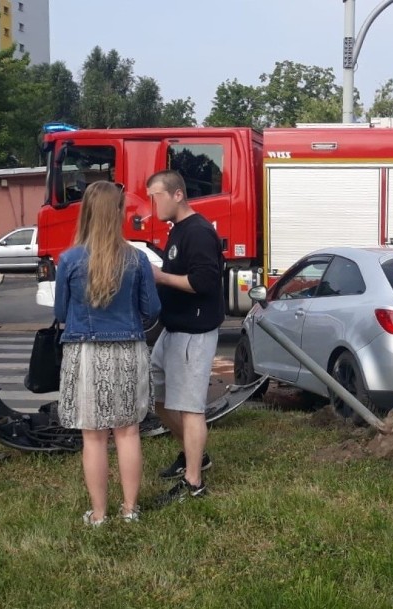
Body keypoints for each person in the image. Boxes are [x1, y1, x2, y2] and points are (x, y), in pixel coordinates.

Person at [54, 181, 161, 526]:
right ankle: (130, 510)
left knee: (94, 436)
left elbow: (59, 313)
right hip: (129, 349)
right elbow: (152, 309)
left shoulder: (69, 260)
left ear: (85, 212)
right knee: (127, 432)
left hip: (85, 352)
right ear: (117, 214)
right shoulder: (138, 258)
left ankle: (99, 513)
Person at [146, 170, 225, 505]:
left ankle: (194, 482)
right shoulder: (178, 230)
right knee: (160, 398)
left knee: (191, 408)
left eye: (157, 195)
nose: (153, 203)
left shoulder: (200, 232)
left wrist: (160, 277)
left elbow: (203, 282)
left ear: (177, 194)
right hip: (172, 329)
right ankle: (193, 455)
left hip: (194, 332)